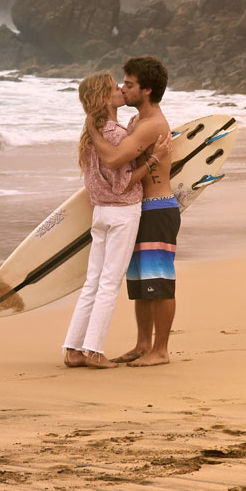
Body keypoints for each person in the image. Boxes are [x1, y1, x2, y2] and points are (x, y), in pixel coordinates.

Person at [61, 72, 158, 368]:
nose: (121, 90)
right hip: (123, 213)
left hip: (101, 213)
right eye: (115, 87)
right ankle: (94, 351)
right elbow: (123, 184)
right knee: (109, 284)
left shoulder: (91, 133)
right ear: (104, 98)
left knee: (93, 282)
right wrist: (152, 161)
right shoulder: (116, 135)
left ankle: (73, 350)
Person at [95, 56, 176, 366]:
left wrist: (91, 129)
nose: (122, 89)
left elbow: (115, 160)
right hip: (140, 209)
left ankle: (161, 350)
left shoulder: (151, 126)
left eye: (129, 85)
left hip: (157, 209)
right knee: (142, 283)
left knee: (160, 281)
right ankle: (143, 345)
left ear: (147, 90)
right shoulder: (136, 122)